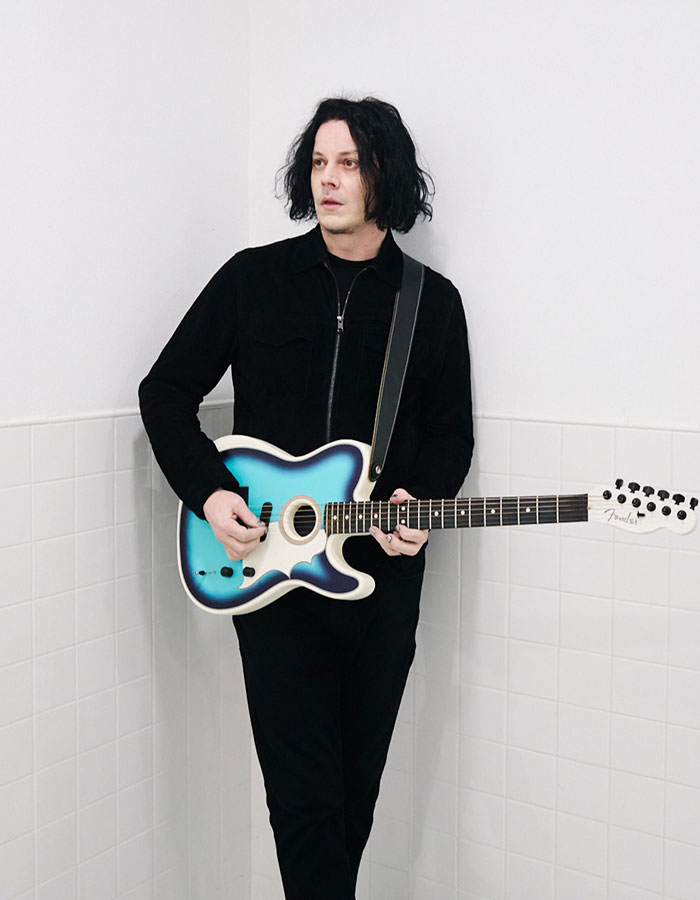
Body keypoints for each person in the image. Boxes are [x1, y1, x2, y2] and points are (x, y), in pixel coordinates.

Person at [139, 96, 473, 900]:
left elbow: (450, 437)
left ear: (384, 174)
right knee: (302, 801)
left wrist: (414, 507)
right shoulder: (254, 279)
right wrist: (211, 495)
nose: (328, 180)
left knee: (354, 796)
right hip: (272, 582)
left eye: (349, 163)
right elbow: (165, 391)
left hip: (379, 583)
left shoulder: (431, 302)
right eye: (319, 163)